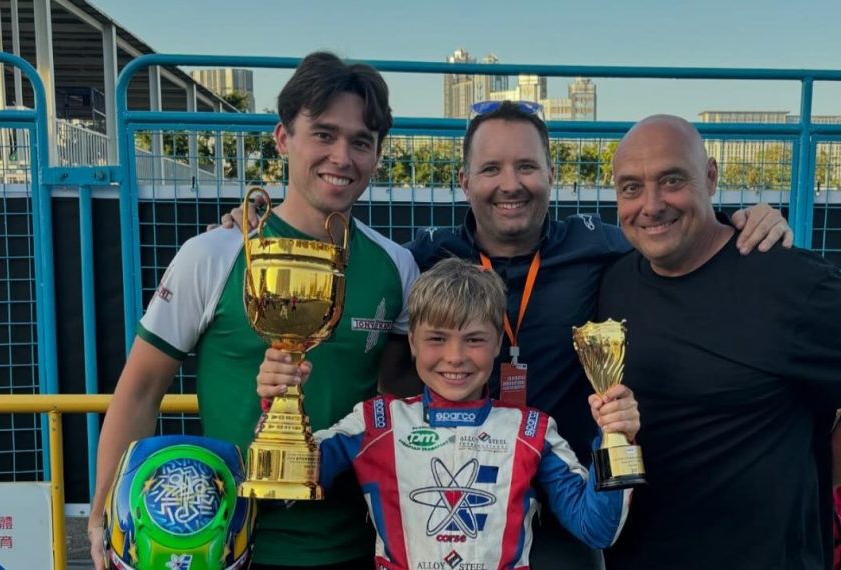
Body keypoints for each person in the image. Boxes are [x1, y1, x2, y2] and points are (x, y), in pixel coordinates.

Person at [222, 100, 793, 568]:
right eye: (491, 169)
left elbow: (673, 231)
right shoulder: (423, 260)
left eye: (526, 167)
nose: (510, 185)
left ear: (551, 175)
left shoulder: (603, 247)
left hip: (557, 492)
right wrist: (247, 230)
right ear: (465, 180)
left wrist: (740, 219)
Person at [89, 52, 420, 570]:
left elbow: (399, 407)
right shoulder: (214, 253)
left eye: (361, 141)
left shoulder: (397, 267)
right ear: (284, 138)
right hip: (225, 547)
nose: (342, 156)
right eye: (324, 134)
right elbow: (140, 390)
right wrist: (104, 510)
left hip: (358, 546)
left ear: (378, 153)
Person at [595, 115, 841, 569]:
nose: (651, 205)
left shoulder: (791, 282)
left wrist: (806, 485)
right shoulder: (613, 282)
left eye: (671, 180)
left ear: (709, 177)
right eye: (630, 187)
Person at [256, 258, 639, 569]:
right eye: (437, 338)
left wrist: (616, 436)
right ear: (412, 342)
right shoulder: (375, 421)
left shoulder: (531, 429)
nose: (455, 357)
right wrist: (278, 404)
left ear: (497, 345)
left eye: (474, 340)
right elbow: (281, 490)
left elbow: (597, 529)